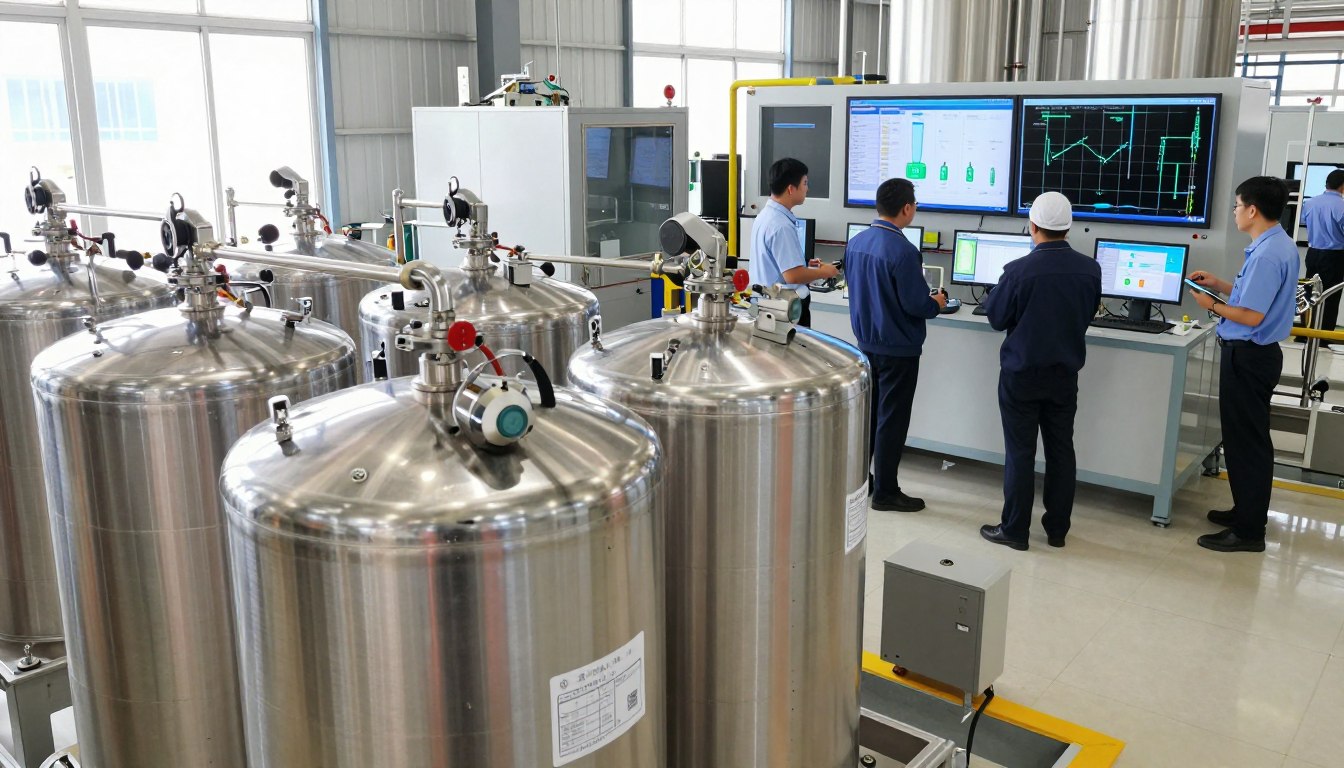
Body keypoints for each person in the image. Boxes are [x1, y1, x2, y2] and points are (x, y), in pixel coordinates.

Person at [978, 192, 1101, 551]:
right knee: (1062, 450)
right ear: (1068, 228)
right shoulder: (1089, 269)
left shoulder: (1018, 271)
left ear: (1032, 227)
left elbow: (996, 317)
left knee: (1020, 453)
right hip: (1064, 375)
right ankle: (1057, 530)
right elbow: (1088, 312)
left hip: (1022, 375)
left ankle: (1014, 530)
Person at [1188, 176, 1299, 553]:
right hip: (1253, 355)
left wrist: (1212, 306)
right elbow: (1253, 299)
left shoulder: (1268, 254)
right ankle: (1246, 511)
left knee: (1247, 443)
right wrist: (1219, 284)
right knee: (1243, 439)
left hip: (1249, 356)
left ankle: (1249, 532)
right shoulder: (1275, 244)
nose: (1234, 212)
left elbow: (1251, 316)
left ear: (1252, 210)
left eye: (1237, 205)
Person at [846, 178, 947, 512]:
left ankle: (863, 480)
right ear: (907, 208)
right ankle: (886, 492)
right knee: (892, 420)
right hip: (898, 351)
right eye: (915, 204)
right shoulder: (904, 251)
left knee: (869, 417)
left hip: (865, 346)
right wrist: (938, 302)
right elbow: (916, 305)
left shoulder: (856, 243)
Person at [749, 158, 838, 327]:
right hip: (784, 311)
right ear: (791, 189)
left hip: (768, 307)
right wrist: (825, 272)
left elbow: (777, 265)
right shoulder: (781, 225)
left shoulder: (765, 216)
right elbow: (793, 276)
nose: (807, 188)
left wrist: (805, 265)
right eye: (805, 183)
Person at [1300, 168, 1344, 351]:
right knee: (1330, 296)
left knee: (1309, 294)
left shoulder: (1310, 203)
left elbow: (1304, 221)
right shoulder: (1341, 206)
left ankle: (1305, 334)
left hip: (1313, 253)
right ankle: (1323, 337)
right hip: (1334, 256)